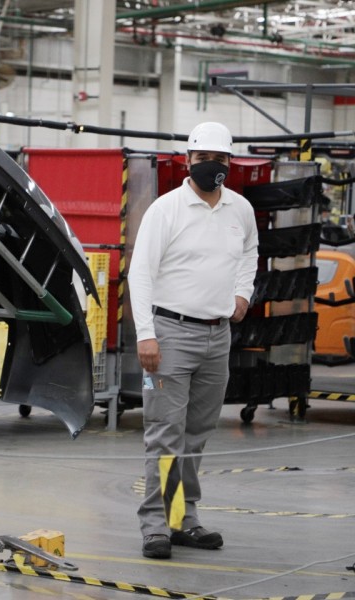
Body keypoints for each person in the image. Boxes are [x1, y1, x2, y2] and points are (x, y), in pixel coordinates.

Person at [127, 122, 258, 559]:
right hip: (169, 336)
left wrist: (243, 293)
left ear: (229, 162)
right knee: (165, 433)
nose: (211, 166)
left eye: (219, 159)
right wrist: (146, 334)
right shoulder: (166, 210)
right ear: (188, 161)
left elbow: (250, 253)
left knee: (197, 433)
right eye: (203, 159)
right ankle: (155, 524)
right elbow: (140, 274)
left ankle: (183, 518)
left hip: (217, 337)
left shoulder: (240, 210)